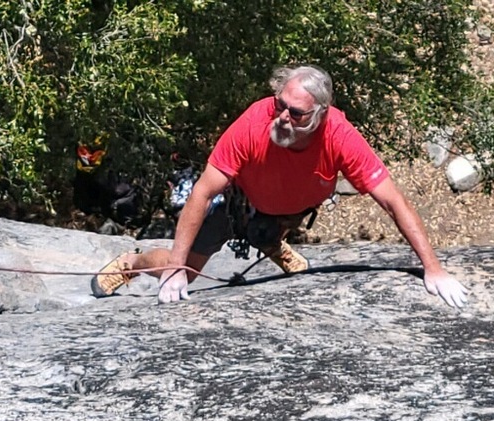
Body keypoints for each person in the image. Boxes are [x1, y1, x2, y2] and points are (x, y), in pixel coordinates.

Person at [91, 65, 469, 308]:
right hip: (238, 204)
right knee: (187, 273)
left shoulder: (340, 137)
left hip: (286, 211)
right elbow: (203, 193)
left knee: (270, 226)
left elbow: (393, 201)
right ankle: (132, 262)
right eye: (280, 105)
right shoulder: (253, 125)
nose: (283, 117)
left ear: (321, 114)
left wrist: (432, 268)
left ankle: (270, 240)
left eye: (297, 113)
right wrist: (175, 265)